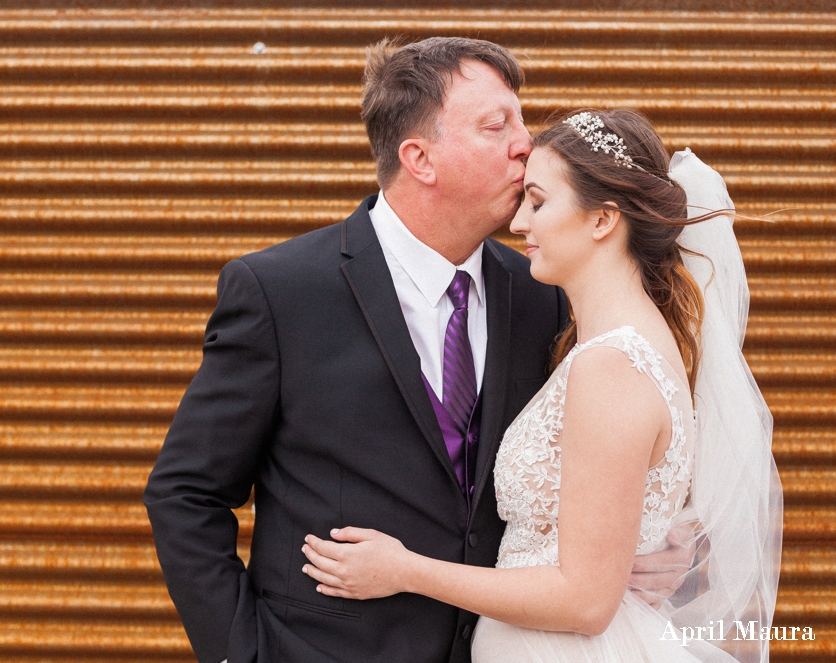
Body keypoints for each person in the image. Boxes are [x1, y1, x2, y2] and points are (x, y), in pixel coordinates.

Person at [144, 38, 693, 663]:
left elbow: (609, 461)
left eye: (521, 117)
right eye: (497, 125)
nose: (528, 142)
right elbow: (185, 493)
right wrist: (245, 654)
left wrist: (663, 545)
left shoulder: (545, 295)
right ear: (420, 158)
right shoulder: (281, 292)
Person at [300, 109, 783, 662]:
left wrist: (405, 570)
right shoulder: (618, 345)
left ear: (602, 219)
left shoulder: (611, 365)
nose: (520, 224)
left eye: (539, 201)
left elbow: (583, 601)